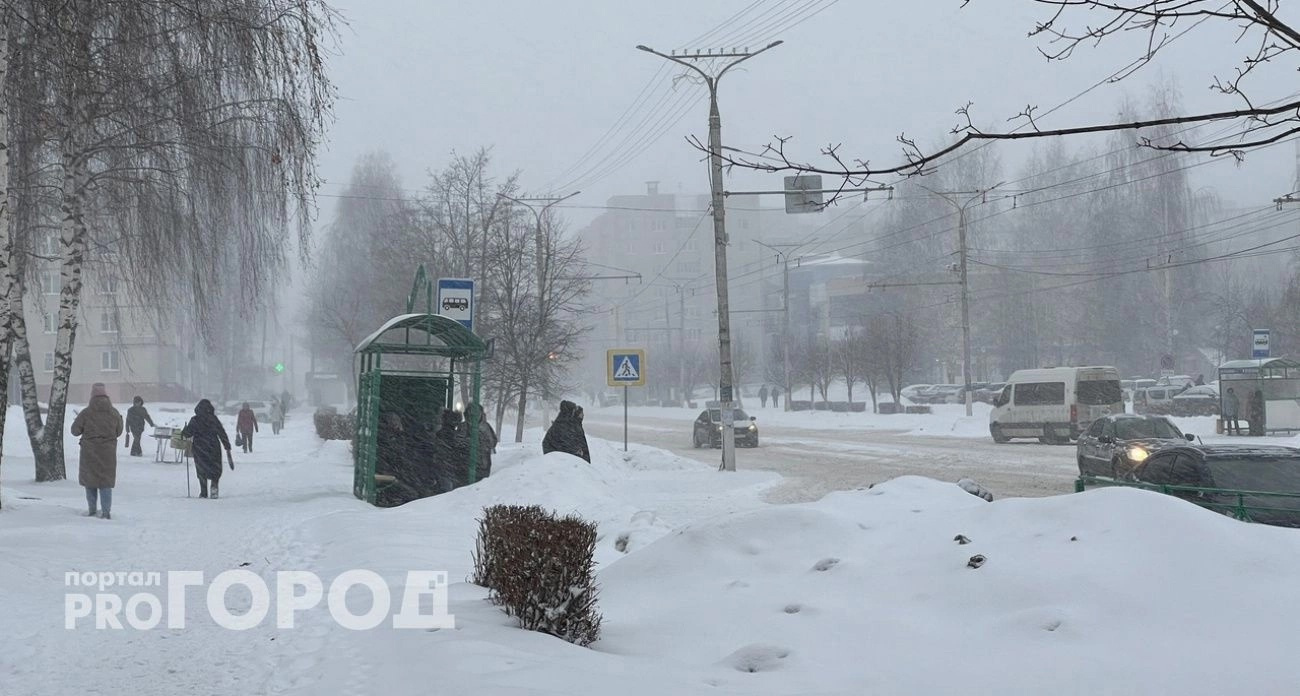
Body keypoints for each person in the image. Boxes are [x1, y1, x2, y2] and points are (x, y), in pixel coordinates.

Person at [71, 383, 123, 519]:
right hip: (108, 453)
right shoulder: (114, 413)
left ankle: (92, 510)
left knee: (90, 482)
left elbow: (74, 431)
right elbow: (119, 431)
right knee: (105, 483)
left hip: (90, 452)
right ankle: (106, 512)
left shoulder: (86, 413)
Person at [182, 399, 234, 499]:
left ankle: (203, 492)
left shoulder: (195, 420)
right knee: (215, 468)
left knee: (201, 469)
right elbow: (221, 432)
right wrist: (226, 445)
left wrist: (184, 430)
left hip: (199, 447)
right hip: (213, 446)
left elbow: (188, 434)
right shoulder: (213, 419)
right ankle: (214, 488)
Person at [433, 408, 470, 492]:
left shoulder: (442, 433)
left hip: (443, 463)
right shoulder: (450, 434)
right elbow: (455, 446)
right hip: (447, 464)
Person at [464, 403, 497, 481]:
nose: (473, 417)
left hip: (482, 467)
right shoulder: (463, 427)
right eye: (471, 414)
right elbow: (458, 443)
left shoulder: (485, 427)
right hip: (466, 467)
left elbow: (492, 442)